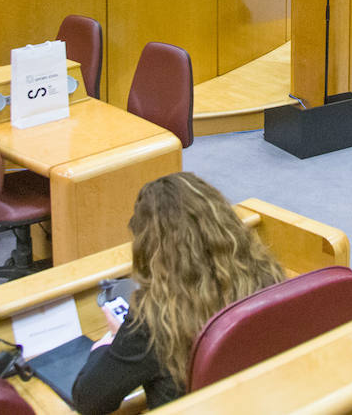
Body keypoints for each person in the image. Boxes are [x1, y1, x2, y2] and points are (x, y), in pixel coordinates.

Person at [72, 173, 284, 414]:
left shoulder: (156, 317)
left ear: (150, 246)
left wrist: (108, 344)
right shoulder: (265, 273)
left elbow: (89, 400)